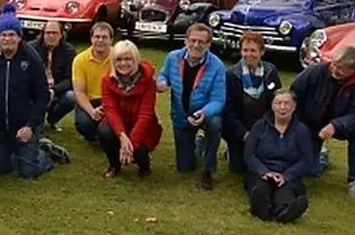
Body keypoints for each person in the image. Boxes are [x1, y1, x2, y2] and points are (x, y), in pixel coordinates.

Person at [0, 5, 63, 180]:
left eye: (12, 34)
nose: (7, 39)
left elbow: (42, 95)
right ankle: (17, 151)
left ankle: (45, 153)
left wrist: (30, 126)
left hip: (25, 125)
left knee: (28, 171)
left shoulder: (31, 57)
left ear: (19, 37)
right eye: (3, 35)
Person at [291, 45, 355, 198]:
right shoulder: (315, 72)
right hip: (310, 124)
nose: (334, 69)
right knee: (311, 173)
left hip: (339, 125)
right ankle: (322, 157)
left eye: (340, 68)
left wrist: (336, 125)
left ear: (353, 70)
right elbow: (293, 95)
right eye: (333, 64)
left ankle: (354, 180)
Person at [157, 24, 226, 191]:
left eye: (201, 42)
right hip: (181, 116)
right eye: (193, 40)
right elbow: (163, 74)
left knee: (215, 124)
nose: (196, 45)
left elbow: (218, 99)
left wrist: (203, 113)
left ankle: (208, 170)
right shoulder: (173, 57)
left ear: (209, 45)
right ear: (186, 41)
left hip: (204, 115)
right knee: (185, 167)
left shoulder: (217, 66)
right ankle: (200, 142)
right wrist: (162, 82)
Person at [244, 89, 313, 223]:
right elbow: (249, 154)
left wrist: (286, 175)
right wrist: (264, 172)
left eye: (286, 103)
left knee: (285, 191)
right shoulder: (260, 126)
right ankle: (262, 210)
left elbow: (306, 160)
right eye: (278, 103)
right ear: (272, 106)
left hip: (288, 173)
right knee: (261, 188)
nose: (282, 107)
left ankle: (285, 212)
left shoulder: (301, 130)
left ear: (294, 107)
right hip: (261, 172)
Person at [97, 40, 161, 179]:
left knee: (138, 150)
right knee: (104, 130)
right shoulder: (106, 80)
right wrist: (122, 136)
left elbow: (146, 112)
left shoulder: (148, 80)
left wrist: (130, 142)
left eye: (128, 59)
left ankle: (144, 166)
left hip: (142, 125)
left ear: (136, 60)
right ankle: (114, 165)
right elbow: (111, 110)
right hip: (120, 122)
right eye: (119, 59)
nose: (123, 63)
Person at [222, 30, 283, 173]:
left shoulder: (270, 71)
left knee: (268, 164)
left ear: (262, 52)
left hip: (263, 126)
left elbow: (276, 103)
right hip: (240, 129)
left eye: (253, 50)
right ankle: (232, 149)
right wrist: (243, 134)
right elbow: (228, 110)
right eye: (245, 50)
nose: (249, 54)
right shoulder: (231, 74)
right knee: (238, 169)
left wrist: (264, 129)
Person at [71, 22, 114, 143]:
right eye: (97, 37)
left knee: (108, 128)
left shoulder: (118, 57)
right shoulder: (80, 60)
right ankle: (94, 135)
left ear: (111, 40)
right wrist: (92, 112)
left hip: (112, 101)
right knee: (85, 125)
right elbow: (79, 92)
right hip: (89, 101)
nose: (100, 40)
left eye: (104, 37)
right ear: (91, 39)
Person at [31, 20, 77, 132]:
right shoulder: (31, 49)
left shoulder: (69, 51)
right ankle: (36, 120)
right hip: (37, 90)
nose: (51, 36)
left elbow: (70, 79)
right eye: (48, 33)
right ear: (43, 34)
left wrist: (54, 90)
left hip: (58, 90)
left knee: (72, 97)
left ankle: (53, 119)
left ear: (61, 35)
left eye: (55, 33)